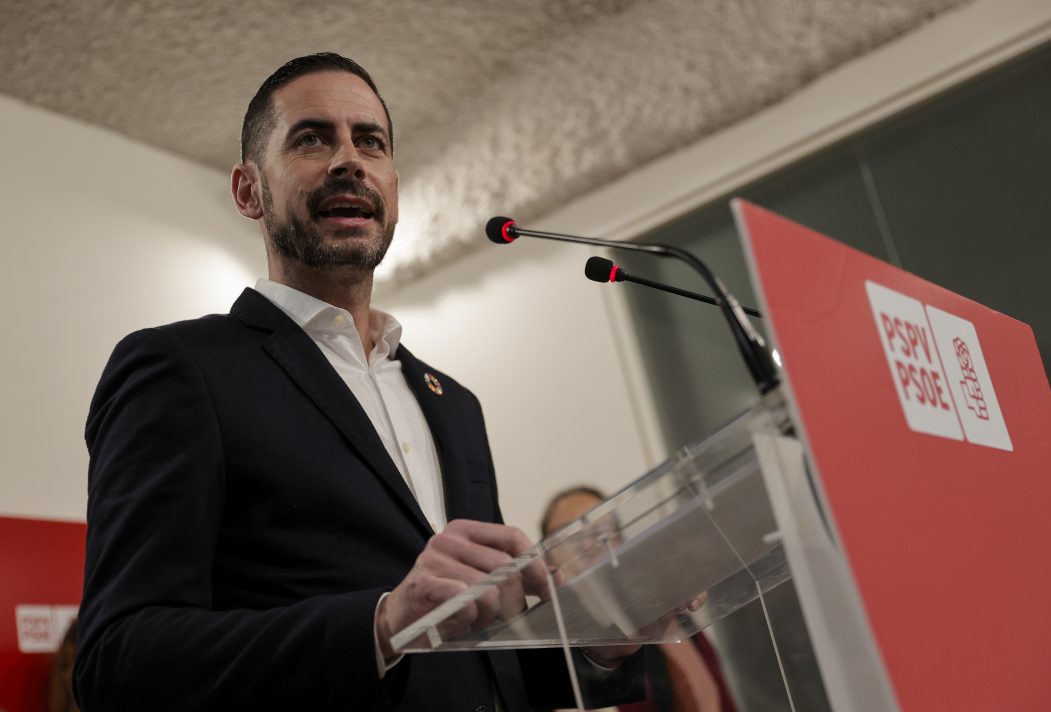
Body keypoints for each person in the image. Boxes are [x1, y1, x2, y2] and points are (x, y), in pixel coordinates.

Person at [74, 53, 642, 712]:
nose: (349, 160)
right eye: (312, 139)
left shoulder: (454, 404)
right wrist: (378, 626)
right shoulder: (182, 369)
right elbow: (118, 661)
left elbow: (482, 659)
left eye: (370, 142)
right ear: (248, 191)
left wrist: (604, 640)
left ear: (393, 188)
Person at [541, 487, 738, 712]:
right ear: (548, 558)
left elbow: (717, 697)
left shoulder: (669, 615)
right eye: (572, 537)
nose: (589, 547)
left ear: (620, 540)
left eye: (600, 532)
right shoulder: (547, 647)